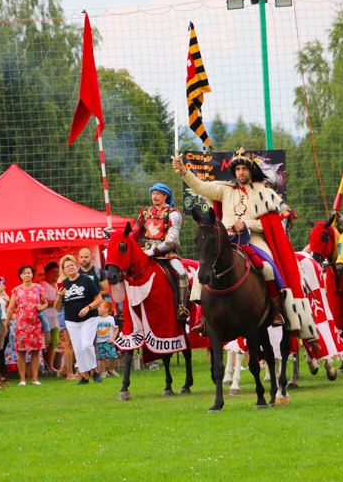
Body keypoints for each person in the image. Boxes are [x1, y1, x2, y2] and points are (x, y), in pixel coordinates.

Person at [173, 148, 297, 331]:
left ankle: (275, 310)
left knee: (268, 267)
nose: (241, 172)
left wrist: (247, 224)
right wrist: (184, 171)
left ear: (251, 171)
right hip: (226, 239)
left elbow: (271, 225)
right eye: (238, 169)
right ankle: (203, 316)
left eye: (244, 169)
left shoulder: (262, 193)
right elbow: (201, 187)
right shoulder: (226, 190)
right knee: (202, 268)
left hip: (253, 238)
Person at [130, 182, 190, 320]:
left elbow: (171, 240)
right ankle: (123, 308)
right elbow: (136, 231)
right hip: (144, 249)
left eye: (157, 194)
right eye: (153, 193)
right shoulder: (144, 212)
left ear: (165, 196)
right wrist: (123, 237)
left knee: (181, 273)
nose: (154, 196)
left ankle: (182, 306)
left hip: (166, 252)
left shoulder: (174, 214)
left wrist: (154, 251)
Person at [55, 255, 103, 385]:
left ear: (76, 265)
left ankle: (95, 372)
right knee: (78, 348)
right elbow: (58, 307)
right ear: (63, 270)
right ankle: (84, 376)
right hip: (71, 320)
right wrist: (59, 297)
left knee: (87, 344)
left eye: (72, 265)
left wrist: (88, 308)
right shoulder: (62, 285)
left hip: (89, 317)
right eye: (67, 266)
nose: (70, 268)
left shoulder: (86, 280)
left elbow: (99, 299)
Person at [6, 265, 48, 386]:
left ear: (32, 274)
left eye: (29, 273)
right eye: (24, 273)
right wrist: (7, 322)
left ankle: (35, 378)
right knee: (21, 352)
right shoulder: (16, 290)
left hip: (36, 324)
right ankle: (22, 379)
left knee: (36, 351)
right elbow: (11, 308)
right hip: (21, 325)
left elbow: (45, 303)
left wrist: (42, 307)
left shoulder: (38, 288)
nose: (26, 275)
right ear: (20, 276)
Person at [39, 262, 61, 373]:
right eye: (53, 272)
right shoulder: (43, 284)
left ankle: (51, 366)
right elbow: (45, 301)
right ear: (46, 273)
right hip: (45, 318)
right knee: (44, 342)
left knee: (54, 341)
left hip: (55, 318)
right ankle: (43, 366)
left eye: (57, 272)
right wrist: (59, 301)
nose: (56, 274)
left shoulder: (58, 285)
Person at [94, 301, 119, 377]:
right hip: (100, 342)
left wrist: (113, 338)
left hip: (109, 342)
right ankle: (103, 372)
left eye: (100, 307)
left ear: (106, 309)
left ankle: (111, 370)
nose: (98, 309)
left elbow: (116, 329)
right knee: (102, 357)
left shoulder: (111, 319)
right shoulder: (96, 319)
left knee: (113, 356)